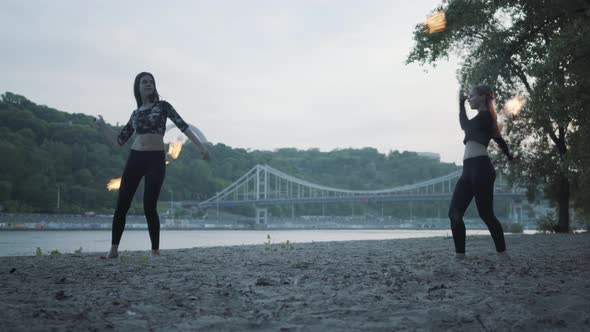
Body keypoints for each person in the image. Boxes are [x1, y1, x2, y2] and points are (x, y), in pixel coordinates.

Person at [96, 72, 209, 258]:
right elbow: (118, 141)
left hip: (155, 159)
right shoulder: (135, 114)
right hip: (135, 158)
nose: (148, 84)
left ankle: (155, 251)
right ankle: (113, 250)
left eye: (151, 82)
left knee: (149, 205)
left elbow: (182, 126)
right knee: (122, 204)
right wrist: (102, 125)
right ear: (138, 87)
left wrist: (201, 147)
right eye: (144, 82)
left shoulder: (163, 106)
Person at [448, 84, 513, 259]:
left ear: (483, 97)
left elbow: (465, 126)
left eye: (472, 96)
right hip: (467, 171)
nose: (469, 98)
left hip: (482, 169)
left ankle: (503, 253)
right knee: (454, 214)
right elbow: (499, 140)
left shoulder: (486, 118)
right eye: (468, 96)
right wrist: (510, 156)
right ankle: (460, 256)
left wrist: (460, 104)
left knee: (486, 214)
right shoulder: (483, 120)